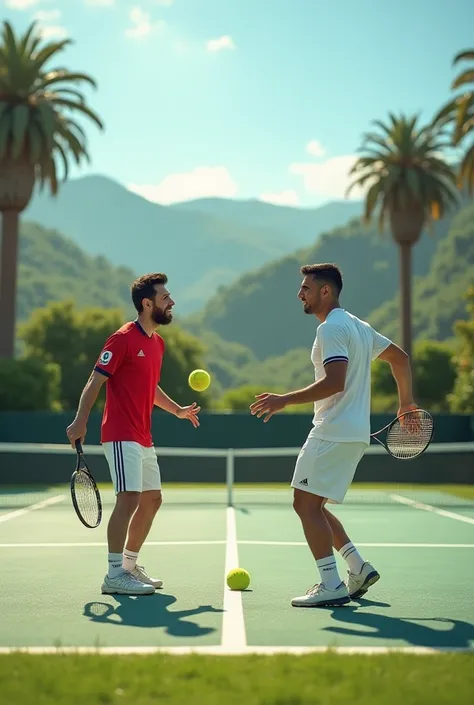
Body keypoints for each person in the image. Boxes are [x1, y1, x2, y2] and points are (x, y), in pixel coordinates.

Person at [249, 263, 417, 608]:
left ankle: (330, 583)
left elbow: (334, 382)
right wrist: (406, 403)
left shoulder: (331, 329)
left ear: (326, 291)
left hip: (333, 431)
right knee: (315, 504)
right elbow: (399, 359)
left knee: (303, 503)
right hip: (354, 434)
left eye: (306, 288)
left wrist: (283, 400)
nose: (300, 294)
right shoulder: (358, 326)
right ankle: (357, 567)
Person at [66, 273, 200, 596]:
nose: (171, 302)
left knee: (152, 499)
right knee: (129, 499)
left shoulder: (158, 343)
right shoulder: (122, 338)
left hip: (143, 436)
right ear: (147, 303)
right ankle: (114, 575)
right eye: (165, 297)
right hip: (120, 433)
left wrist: (178, 410)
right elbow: (94, 382)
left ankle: (129, 566)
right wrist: (80, 420)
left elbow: (150, 387)